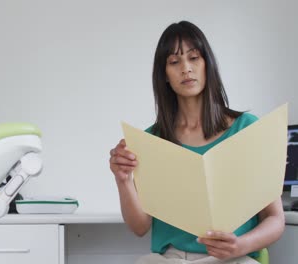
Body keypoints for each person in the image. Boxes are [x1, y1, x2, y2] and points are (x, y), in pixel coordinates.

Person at [108, 21, 285, 264]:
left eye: (194, 57)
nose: (186, 68)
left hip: (233, 258)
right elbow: (139, 227)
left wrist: (239, 246)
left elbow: (275, 219)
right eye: (174, 62)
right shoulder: (150, 141)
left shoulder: (247, 128)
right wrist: (123, 180)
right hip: (171, 259)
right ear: (165, 76)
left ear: (207, 65)